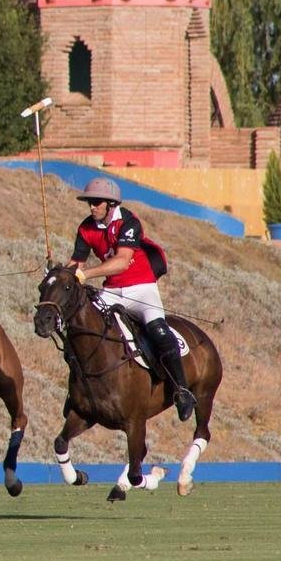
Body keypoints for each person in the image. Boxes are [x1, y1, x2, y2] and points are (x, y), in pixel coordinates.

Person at [67, 177, 197, 421]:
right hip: (112, 291)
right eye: (90, 203)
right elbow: (76, 263)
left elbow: (122, 261)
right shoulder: (86, 228)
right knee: (81, 326)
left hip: (141, 289)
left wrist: (85, 275)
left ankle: (182, 390)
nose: (92, 207)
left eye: (96, 202)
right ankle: (76, 390)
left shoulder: (129, 222)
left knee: (158, 331)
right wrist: (61, 275)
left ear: (111, 203)